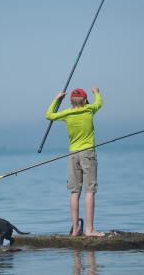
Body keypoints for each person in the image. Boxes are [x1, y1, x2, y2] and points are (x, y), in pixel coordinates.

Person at [46, 87, 105, 237]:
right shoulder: (90, 109)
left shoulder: (67, 113)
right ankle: (89, 230)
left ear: (71, 102)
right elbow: (99, 103)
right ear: (85, 101)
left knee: (74, 191)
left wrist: (57, 98)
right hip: (88, 154)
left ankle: (75, 229)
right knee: (90, 191)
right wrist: (96, 92)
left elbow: (49, 115)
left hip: (73, 155)